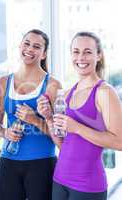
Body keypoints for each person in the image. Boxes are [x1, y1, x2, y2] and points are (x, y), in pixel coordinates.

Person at [38, 31, 122, 200]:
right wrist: (48, 118)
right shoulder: (68, 93)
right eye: (76, 52)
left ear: (98, 55)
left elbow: (119, 142)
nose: (81, 57)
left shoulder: (105, 92)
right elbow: (63, 144)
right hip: (60, 180)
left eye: (87, 52)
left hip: (88, 185)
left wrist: (76, 127)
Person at [0, 29, 61, 200]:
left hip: (42, 164)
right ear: (20, 46)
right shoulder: (3, 82)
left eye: (37, 46)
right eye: (27, 44)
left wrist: (35, 120)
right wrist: (5, 132)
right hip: (9, 163)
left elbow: (60, 134)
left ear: (44, 54)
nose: (30, 49)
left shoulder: (52, 85)